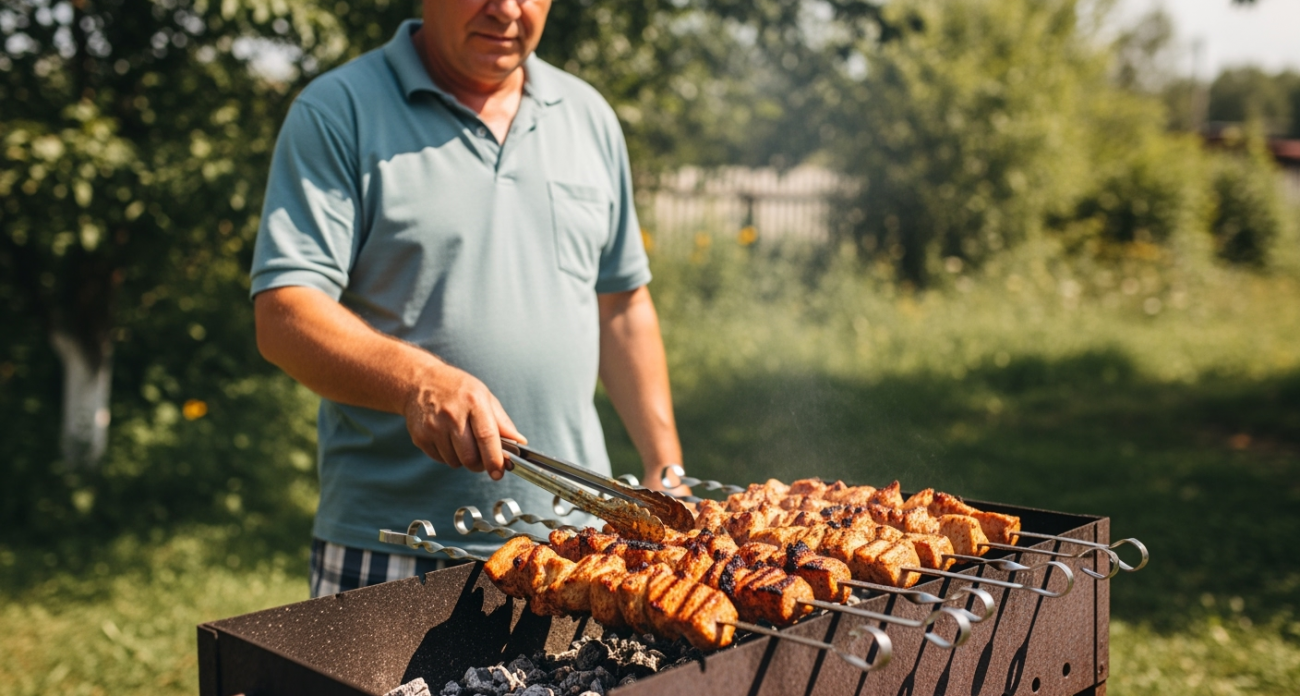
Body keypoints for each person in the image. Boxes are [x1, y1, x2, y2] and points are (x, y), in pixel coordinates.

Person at [250, 0, 684, 597]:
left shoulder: (587, 115)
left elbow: (623, 306)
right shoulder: (339, 109)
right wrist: (418, 381)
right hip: (396, 545)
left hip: (576, 548)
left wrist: (666, 469)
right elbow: (283, 313)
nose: (506, 9)